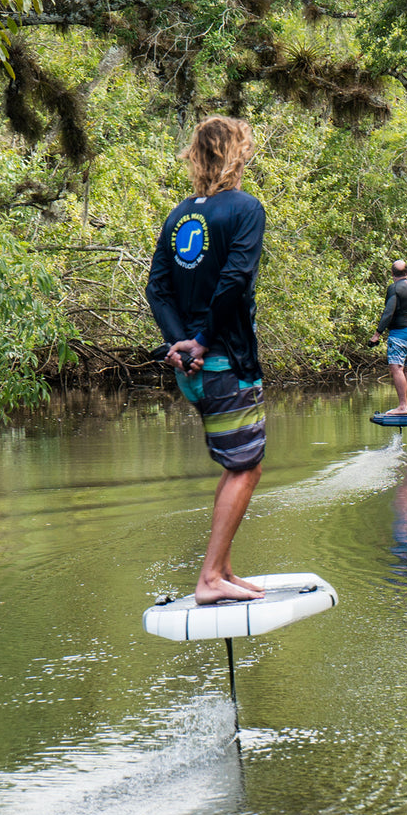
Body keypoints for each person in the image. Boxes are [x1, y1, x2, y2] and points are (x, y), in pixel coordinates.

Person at [145, 116, 267, 604]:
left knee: (235, 464)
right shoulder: (245, 208)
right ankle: (210, 578)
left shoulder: (179, 216)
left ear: (196, 157)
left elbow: (157, 288)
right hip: (223, 362)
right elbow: (234, 280)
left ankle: (224, 569)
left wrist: (179, 344)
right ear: (236, 155)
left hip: (191, 370)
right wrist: (201, 341)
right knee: (246, 468)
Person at [372, 259, 407, 415]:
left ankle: (403, 406)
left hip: (399, 334)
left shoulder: (394, 288)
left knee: (396, 368)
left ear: (392, 274)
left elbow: (389, 312)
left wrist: (377, 334)